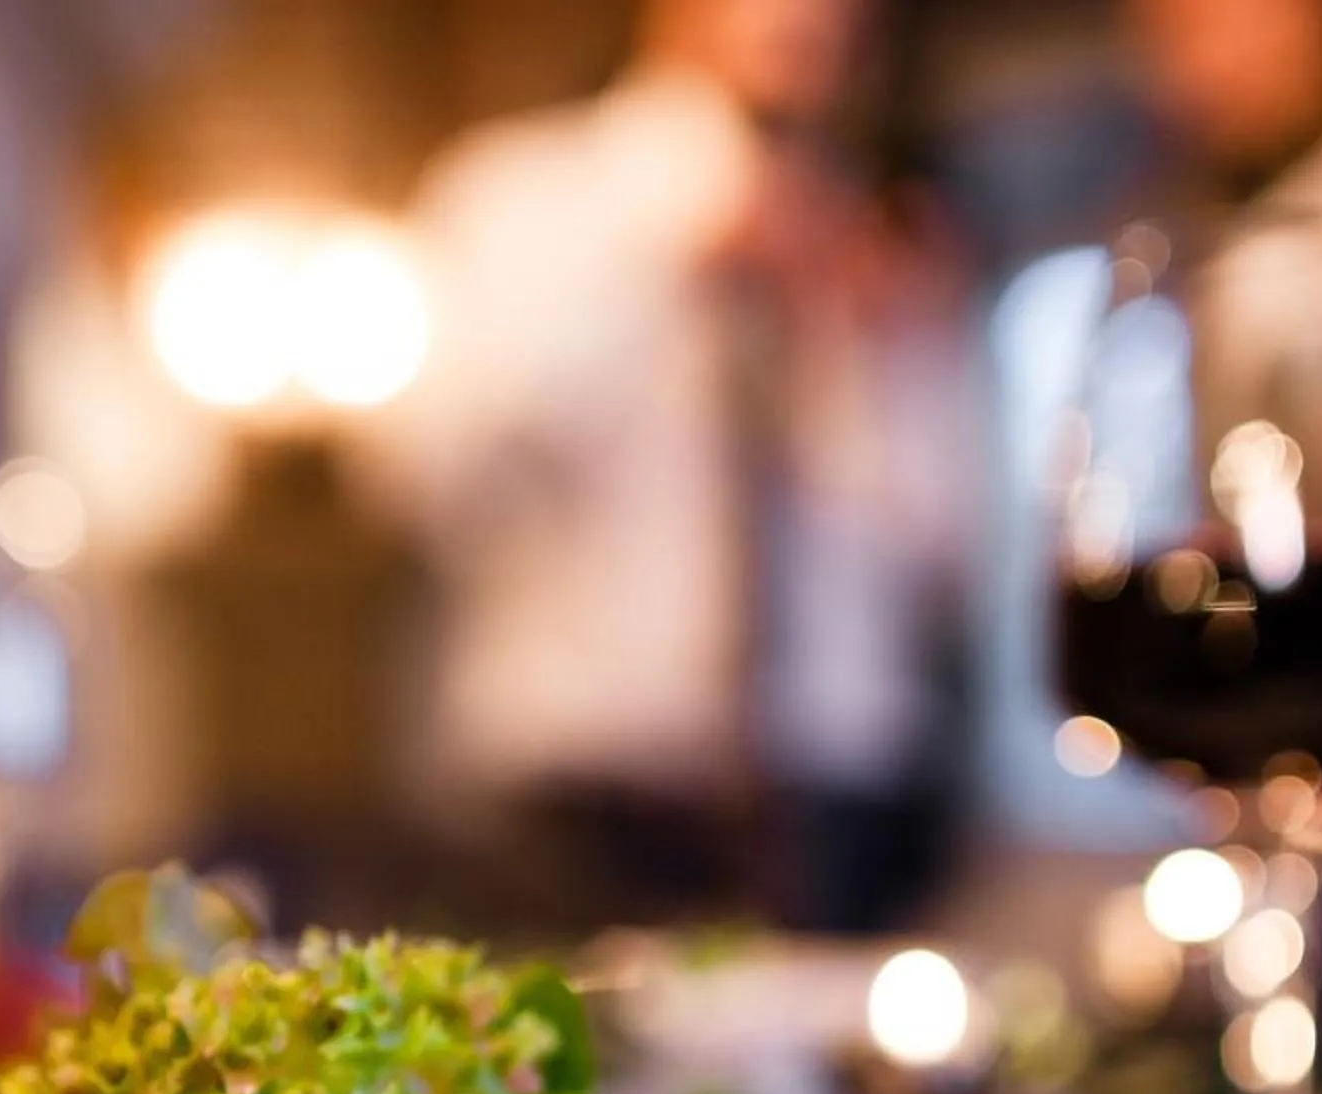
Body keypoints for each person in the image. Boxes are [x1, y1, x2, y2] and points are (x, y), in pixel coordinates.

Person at [377, 0, 972, 936]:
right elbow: (435, 479)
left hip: (834, 801)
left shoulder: (874, 240)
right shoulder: (521, 198)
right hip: (579, 796)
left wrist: (886, 342)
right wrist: (667, 262)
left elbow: (943, 552)